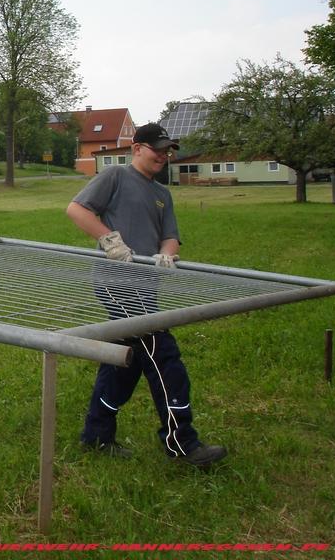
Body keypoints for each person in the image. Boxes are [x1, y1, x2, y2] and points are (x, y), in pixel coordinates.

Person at [66, 122, 227, 467]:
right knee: (163, 354)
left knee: (125, 361)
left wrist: (166, 254)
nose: (164, 156)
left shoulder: (162, 194)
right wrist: (111, 242)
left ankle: (96, 433)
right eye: (158, 150)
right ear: (137, 148)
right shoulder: (116, 177)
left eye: (168, 151)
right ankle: (183, 443)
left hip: (146, 287)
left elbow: (170, 236)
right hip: (116, 281)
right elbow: (77, 209)